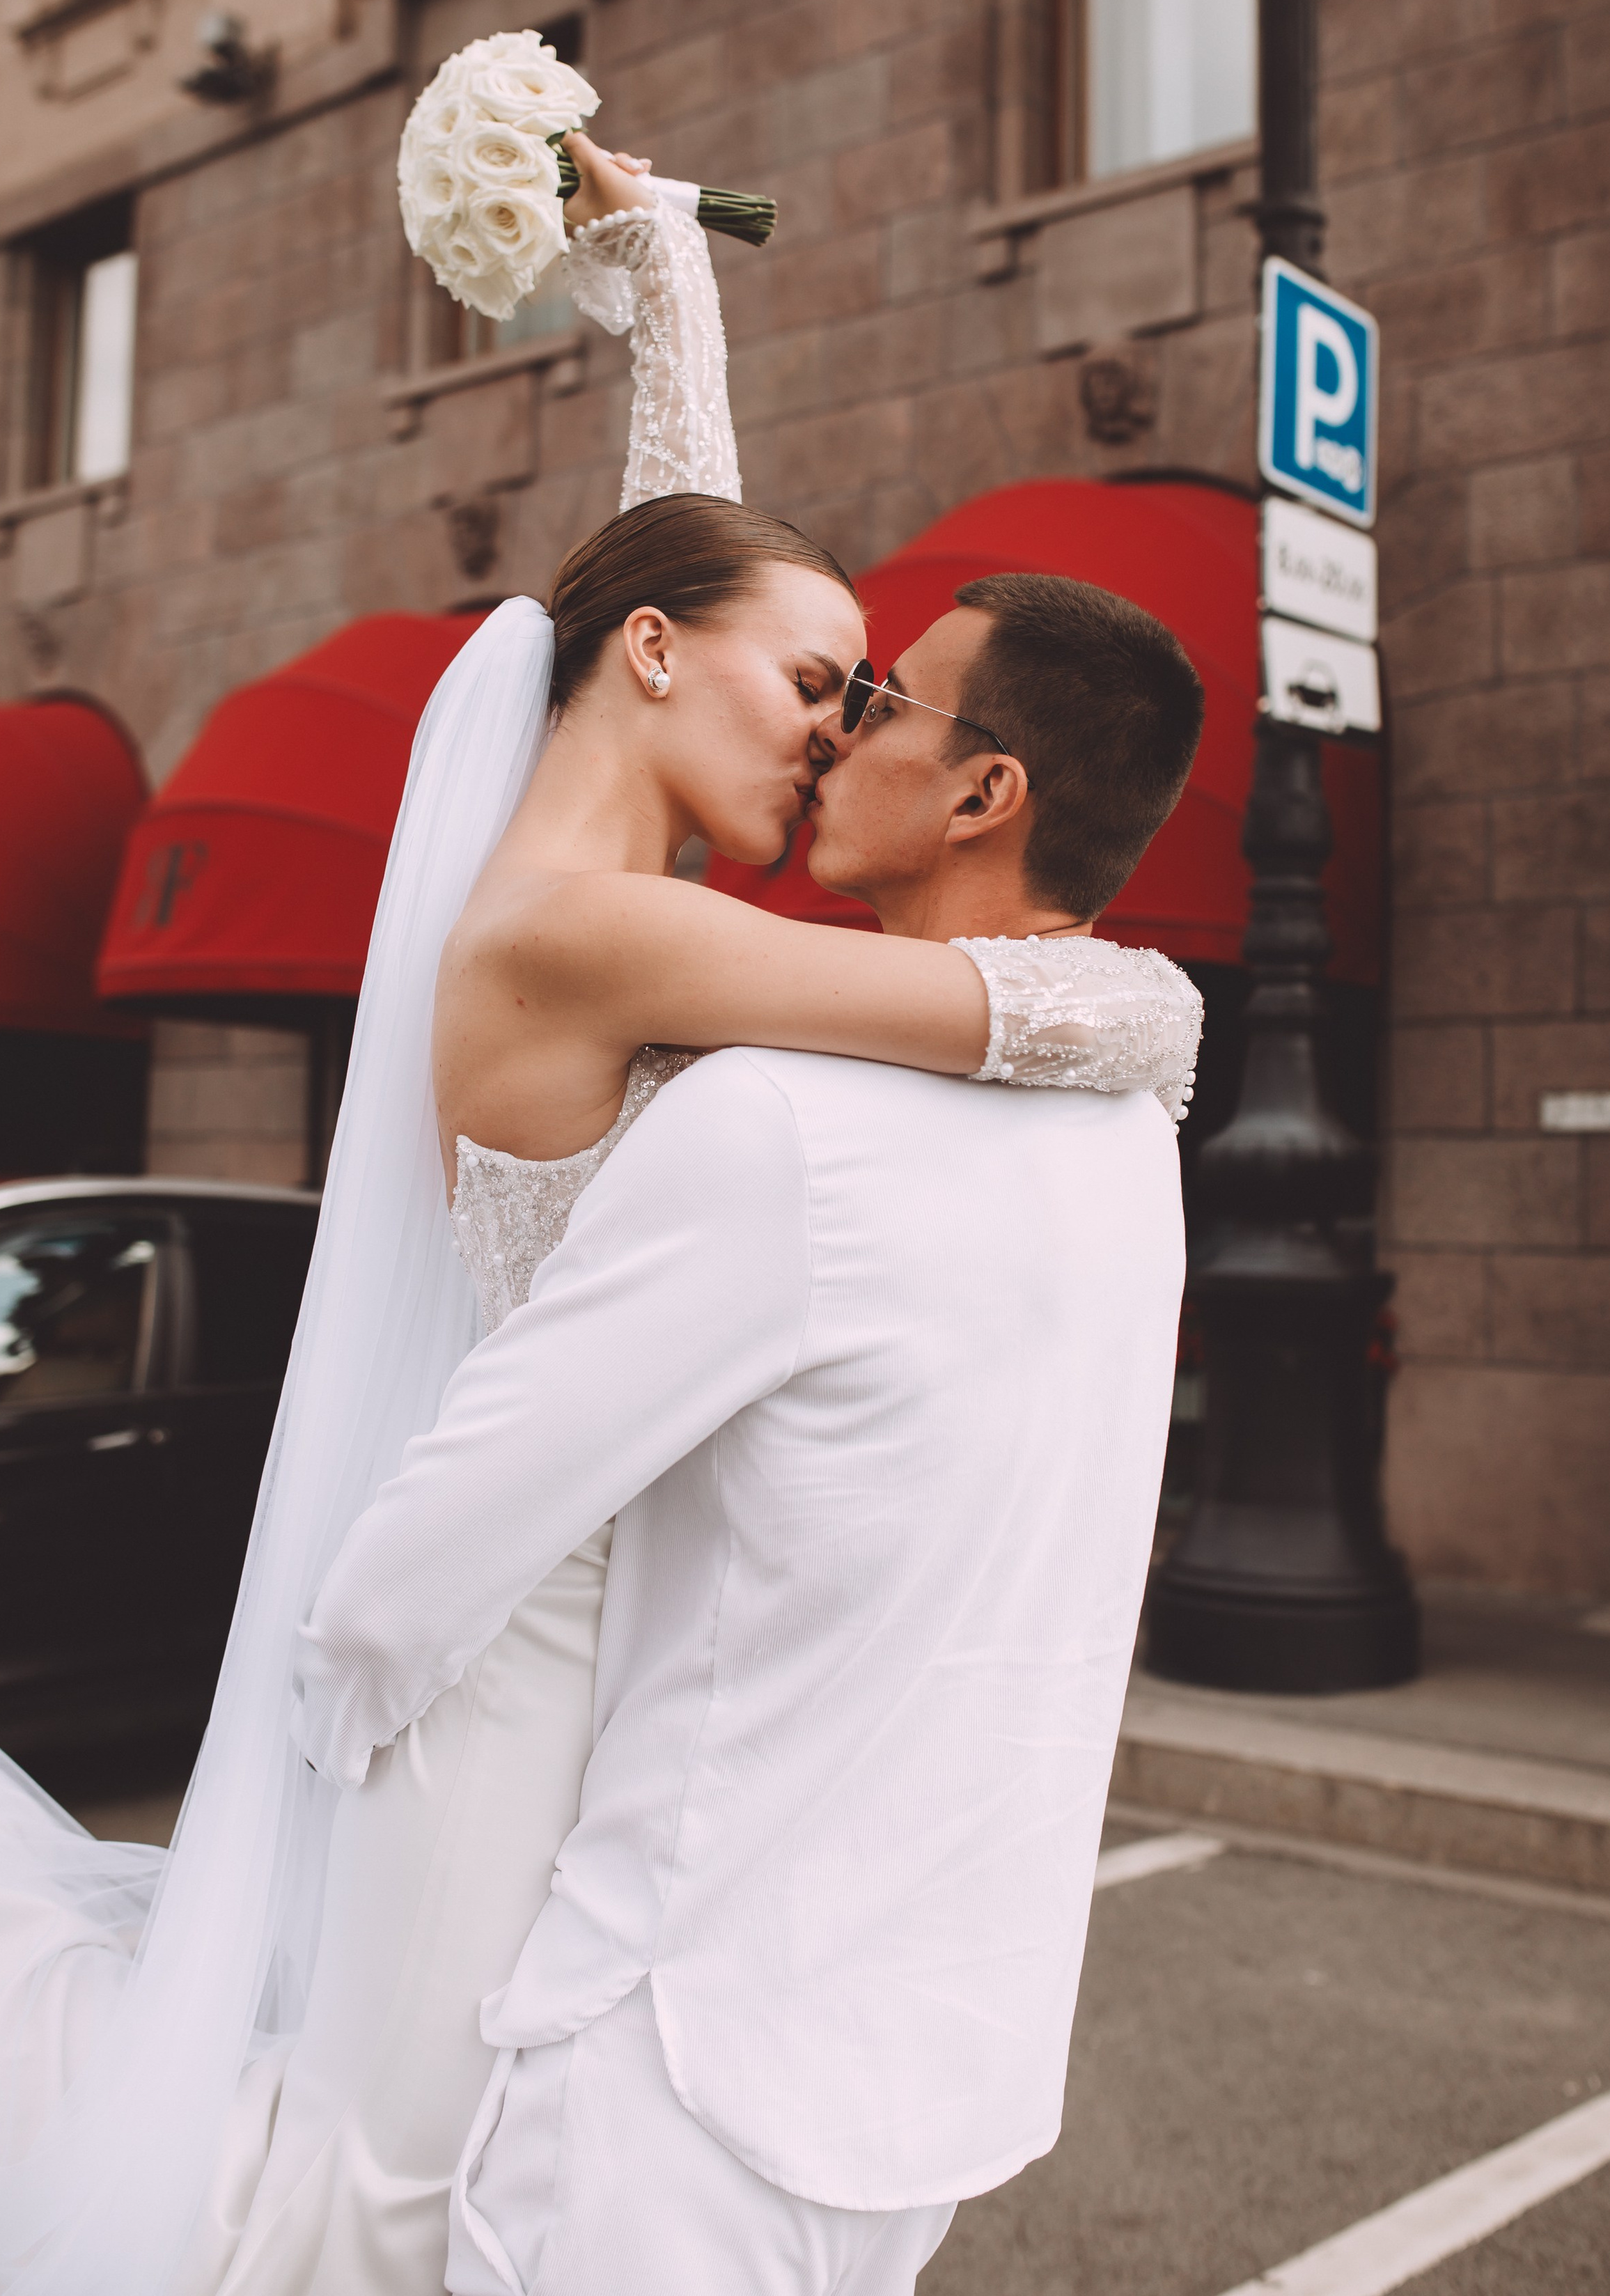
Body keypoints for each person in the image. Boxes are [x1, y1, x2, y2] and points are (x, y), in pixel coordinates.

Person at [0, 140, 1200, 2296]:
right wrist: (1138, 999)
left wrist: (665, 287)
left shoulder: (613, 865)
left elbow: (704, 596)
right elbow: (979, 1004)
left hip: (595, 1614)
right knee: (370, 2199)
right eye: (822, 692)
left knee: (418, 2157)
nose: (835, 726)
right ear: (665, 665)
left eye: (870, 697)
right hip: (504, 1619)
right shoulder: (590, 940)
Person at [292, 554, 1205, 2294]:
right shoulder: (1129, 1143)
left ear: (980, 789)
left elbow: (416, 1564)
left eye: (876, 702)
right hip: (943, 2062)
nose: (835, 732)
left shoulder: (777, 1124)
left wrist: (317, 1756)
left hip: (674, 2064)